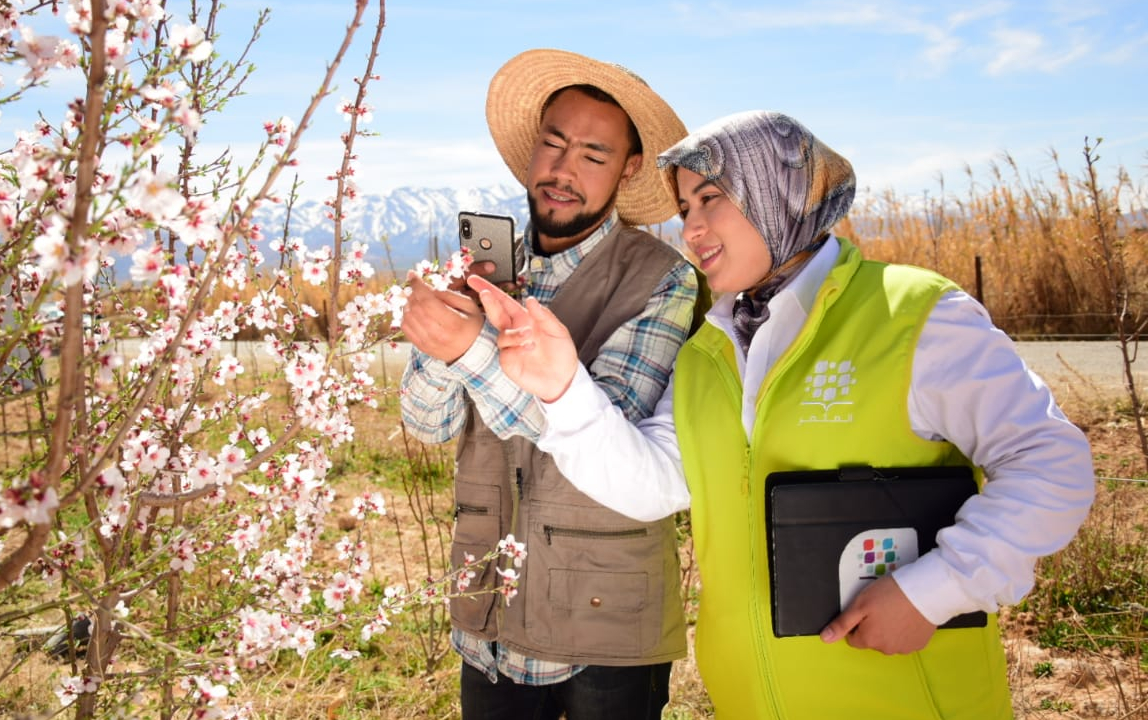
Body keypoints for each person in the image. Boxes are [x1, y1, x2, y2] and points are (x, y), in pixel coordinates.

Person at [468, 110, 1096, 719]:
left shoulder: (911, 312)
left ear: (784, 192)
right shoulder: (706, 354)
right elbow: (651, 485)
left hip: (904, 699)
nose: (691, 228)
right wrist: (562, 387)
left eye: (712, 198)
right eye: (685, 208)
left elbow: (1051, 463)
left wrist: (934, 592)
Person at [398, 49, 706, 719]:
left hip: (607, 623)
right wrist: (436, 347)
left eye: (593, 156)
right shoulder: (481, 269)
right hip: (489, 617)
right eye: (553, 144)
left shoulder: (665, 280)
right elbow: (428, 427)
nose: (563, 171)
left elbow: (605, 437)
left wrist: (471, 351)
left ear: (628, 169)